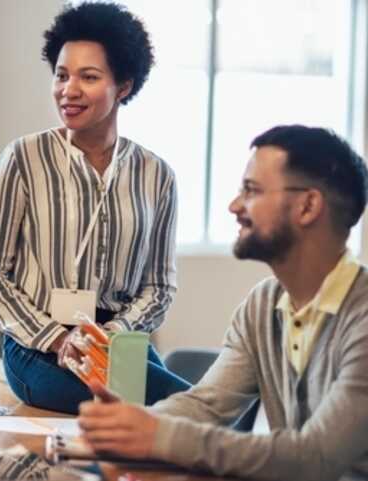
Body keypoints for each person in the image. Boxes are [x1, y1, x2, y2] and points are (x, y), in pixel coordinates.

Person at [78, 125, 368, 481]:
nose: (234, 206)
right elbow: (206, 404)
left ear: (308, 206)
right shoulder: (264, 304)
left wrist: (157, 436)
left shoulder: (363, 317)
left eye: (251, 190)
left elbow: (315, 457)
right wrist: (132, 424)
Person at [0, 1, 189, 414]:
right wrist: (58, 337)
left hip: (116, 341)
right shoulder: (23, 158)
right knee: (159, 406)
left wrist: (112, 335)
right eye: (61, 75)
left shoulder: (157, 176)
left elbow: (159, 285)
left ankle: (218, 422)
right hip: (37, 344)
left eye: (88, 77)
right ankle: (226, 417)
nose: (68, 90)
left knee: (164, 404)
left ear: (123, 85)